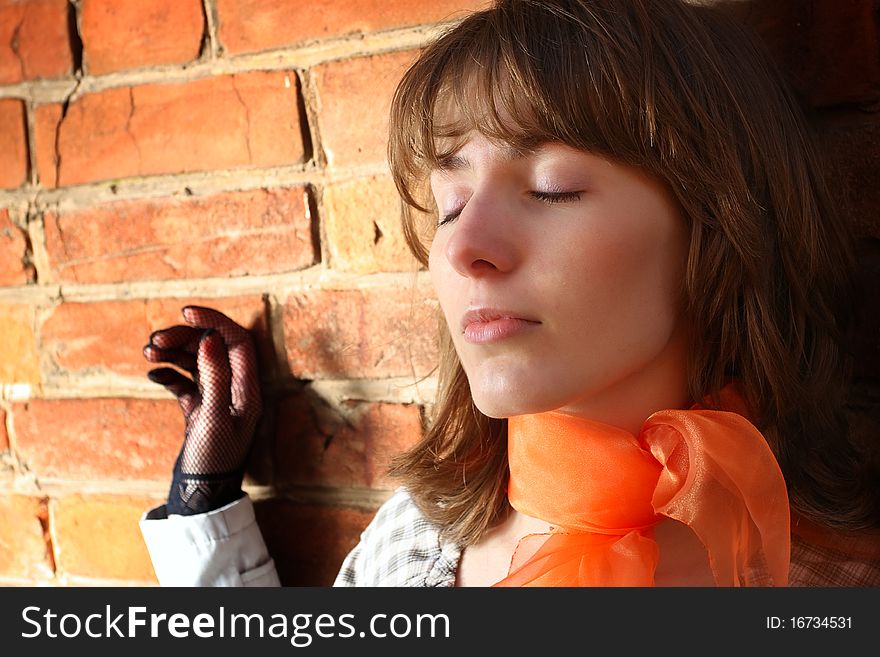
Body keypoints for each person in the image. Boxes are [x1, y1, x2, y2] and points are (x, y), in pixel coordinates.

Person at [139, 0, 880, 587]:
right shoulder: (407, 546)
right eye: (449, 203)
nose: (463, 247)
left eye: (552, 188)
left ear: (718, 220)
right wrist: (203, 500)